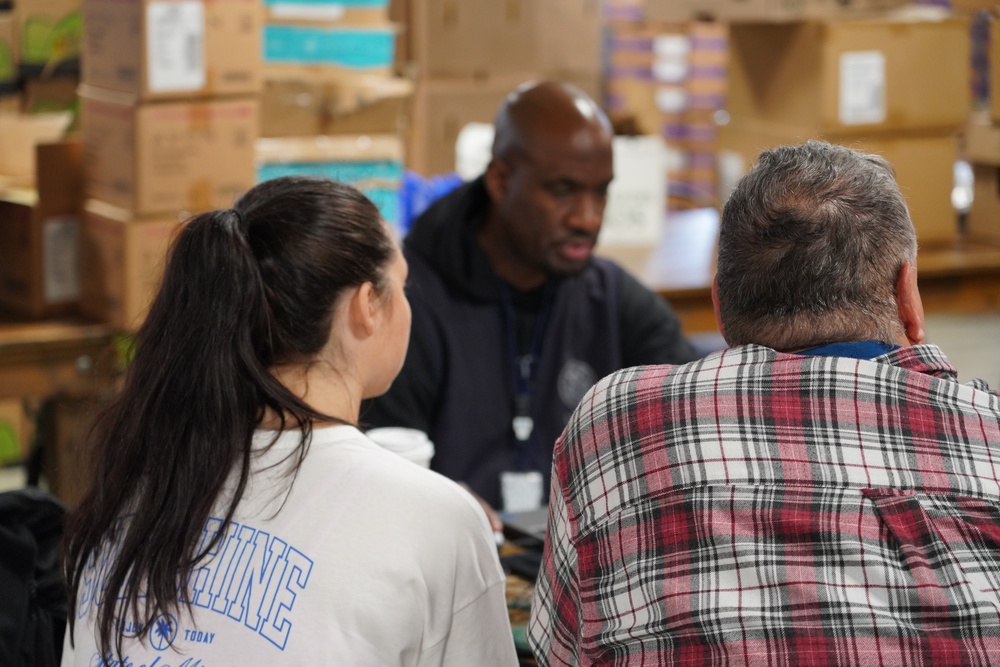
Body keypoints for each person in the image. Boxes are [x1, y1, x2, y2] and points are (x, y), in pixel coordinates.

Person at [529, 141, 1000, 666]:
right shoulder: (990, 433)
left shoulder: (615, 420)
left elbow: (559, 655)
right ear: (908, 297)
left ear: (720, 308)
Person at [60, 176, 518, 666]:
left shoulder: (138, 486)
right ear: (367, 307)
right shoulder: (437, 519)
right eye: (401, 287)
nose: (409, 307)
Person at [363, 80, 698, 519]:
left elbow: (698, 415)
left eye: (601, 191)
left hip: (578, 559)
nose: (587, 217)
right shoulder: (412, 303)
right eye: (562, 190)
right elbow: (382, 465)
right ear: (501, 181)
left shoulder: (613, 298)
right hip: (453, 557)